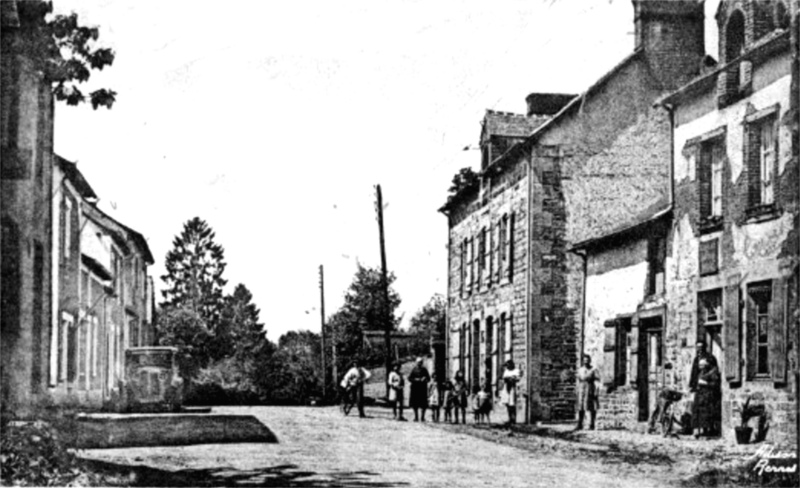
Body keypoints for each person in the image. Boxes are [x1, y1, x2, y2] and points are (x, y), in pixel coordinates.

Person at [689, 341, 721, 438]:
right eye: (697, 347)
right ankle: (698, 430)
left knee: (707, 410)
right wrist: (693, 385)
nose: (699, 349)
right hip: (699, 389)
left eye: (701, 347)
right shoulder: (696, 359)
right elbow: (694, 373)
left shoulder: (710, 358)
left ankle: (708, 430)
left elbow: (714, 375)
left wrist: (706, 383)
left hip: (708, 390)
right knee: (696, 410)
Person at [576, 354, 600, 430]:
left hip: (590, 388)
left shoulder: (593, 370)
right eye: (584, 360)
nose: (586, 362)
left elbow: (597, 381)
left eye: (587, 360)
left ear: (590, 361)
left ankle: (592, 424)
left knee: (592, 406)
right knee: (581, 407)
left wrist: (596, 390)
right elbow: (578, 380)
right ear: (583, 361)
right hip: (581, 389)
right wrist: (577, 390)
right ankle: (580, 424)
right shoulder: (580, 370)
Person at [500, 359, 523, 425]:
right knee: (507, 404)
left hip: (513, 388)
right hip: (506, 388)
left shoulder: (516, 371)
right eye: (506, 366)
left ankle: (513, 419)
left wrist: (513, 378)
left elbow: (518, 378)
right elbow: (504, 379)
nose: (507, 367)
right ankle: (510, 418)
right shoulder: (506, 371)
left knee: (512, 404)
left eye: (508, 365)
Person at [408, 357, 431, 421]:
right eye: (418, 362)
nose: (419, 364)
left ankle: (422, 417)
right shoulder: (414, 370)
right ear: (416, 363)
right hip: (415, 388)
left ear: (422, 363)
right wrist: (415, 379)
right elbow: (409, 378)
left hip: (422, 389)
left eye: (420, 362)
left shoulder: (424, 370)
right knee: (415, 403)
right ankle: (416, 417)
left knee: (423, 404)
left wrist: (425, 378)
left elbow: (429, 378)